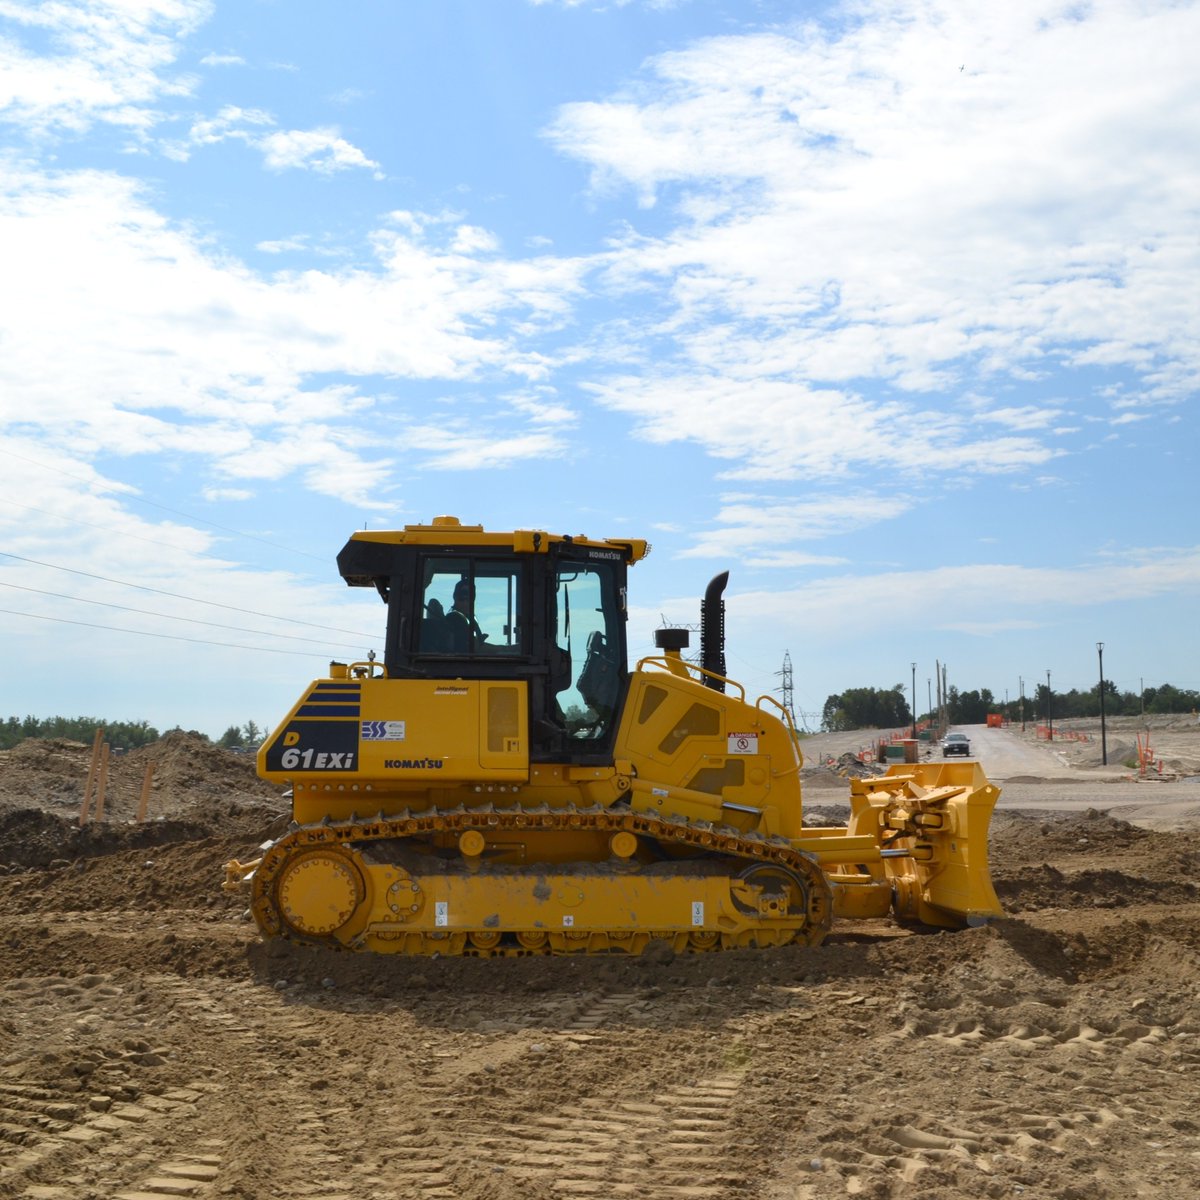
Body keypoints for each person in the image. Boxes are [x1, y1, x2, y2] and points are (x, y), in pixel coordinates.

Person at [445, 578, 488, 652]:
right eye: (463, 594)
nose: (466, 597)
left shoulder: (469, 618)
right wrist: (505, 648)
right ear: (455, 596)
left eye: (471, 594)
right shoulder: (454, 618)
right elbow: (468, 648)